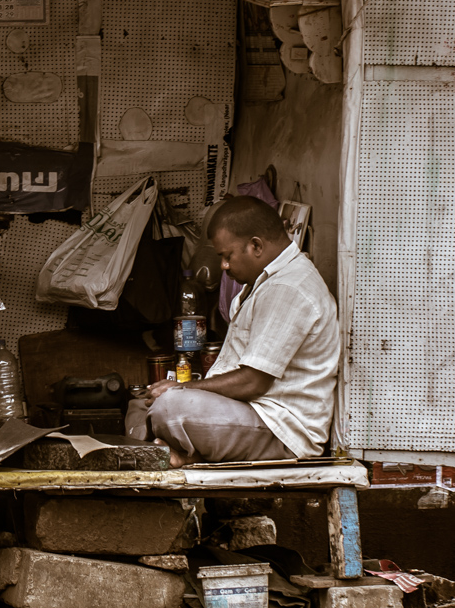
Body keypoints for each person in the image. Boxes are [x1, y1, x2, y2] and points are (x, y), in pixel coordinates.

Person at [131, 195, 339, 467]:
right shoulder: (265, 281)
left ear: (256, 246)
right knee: (140, 403)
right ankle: (179, 454)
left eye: (227, 256)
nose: (224, 267)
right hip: (251, 413)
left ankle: (181, 454)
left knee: (170, 408)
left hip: (281, 430)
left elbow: (253, 381)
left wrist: (185, 389)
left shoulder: (288, 288)